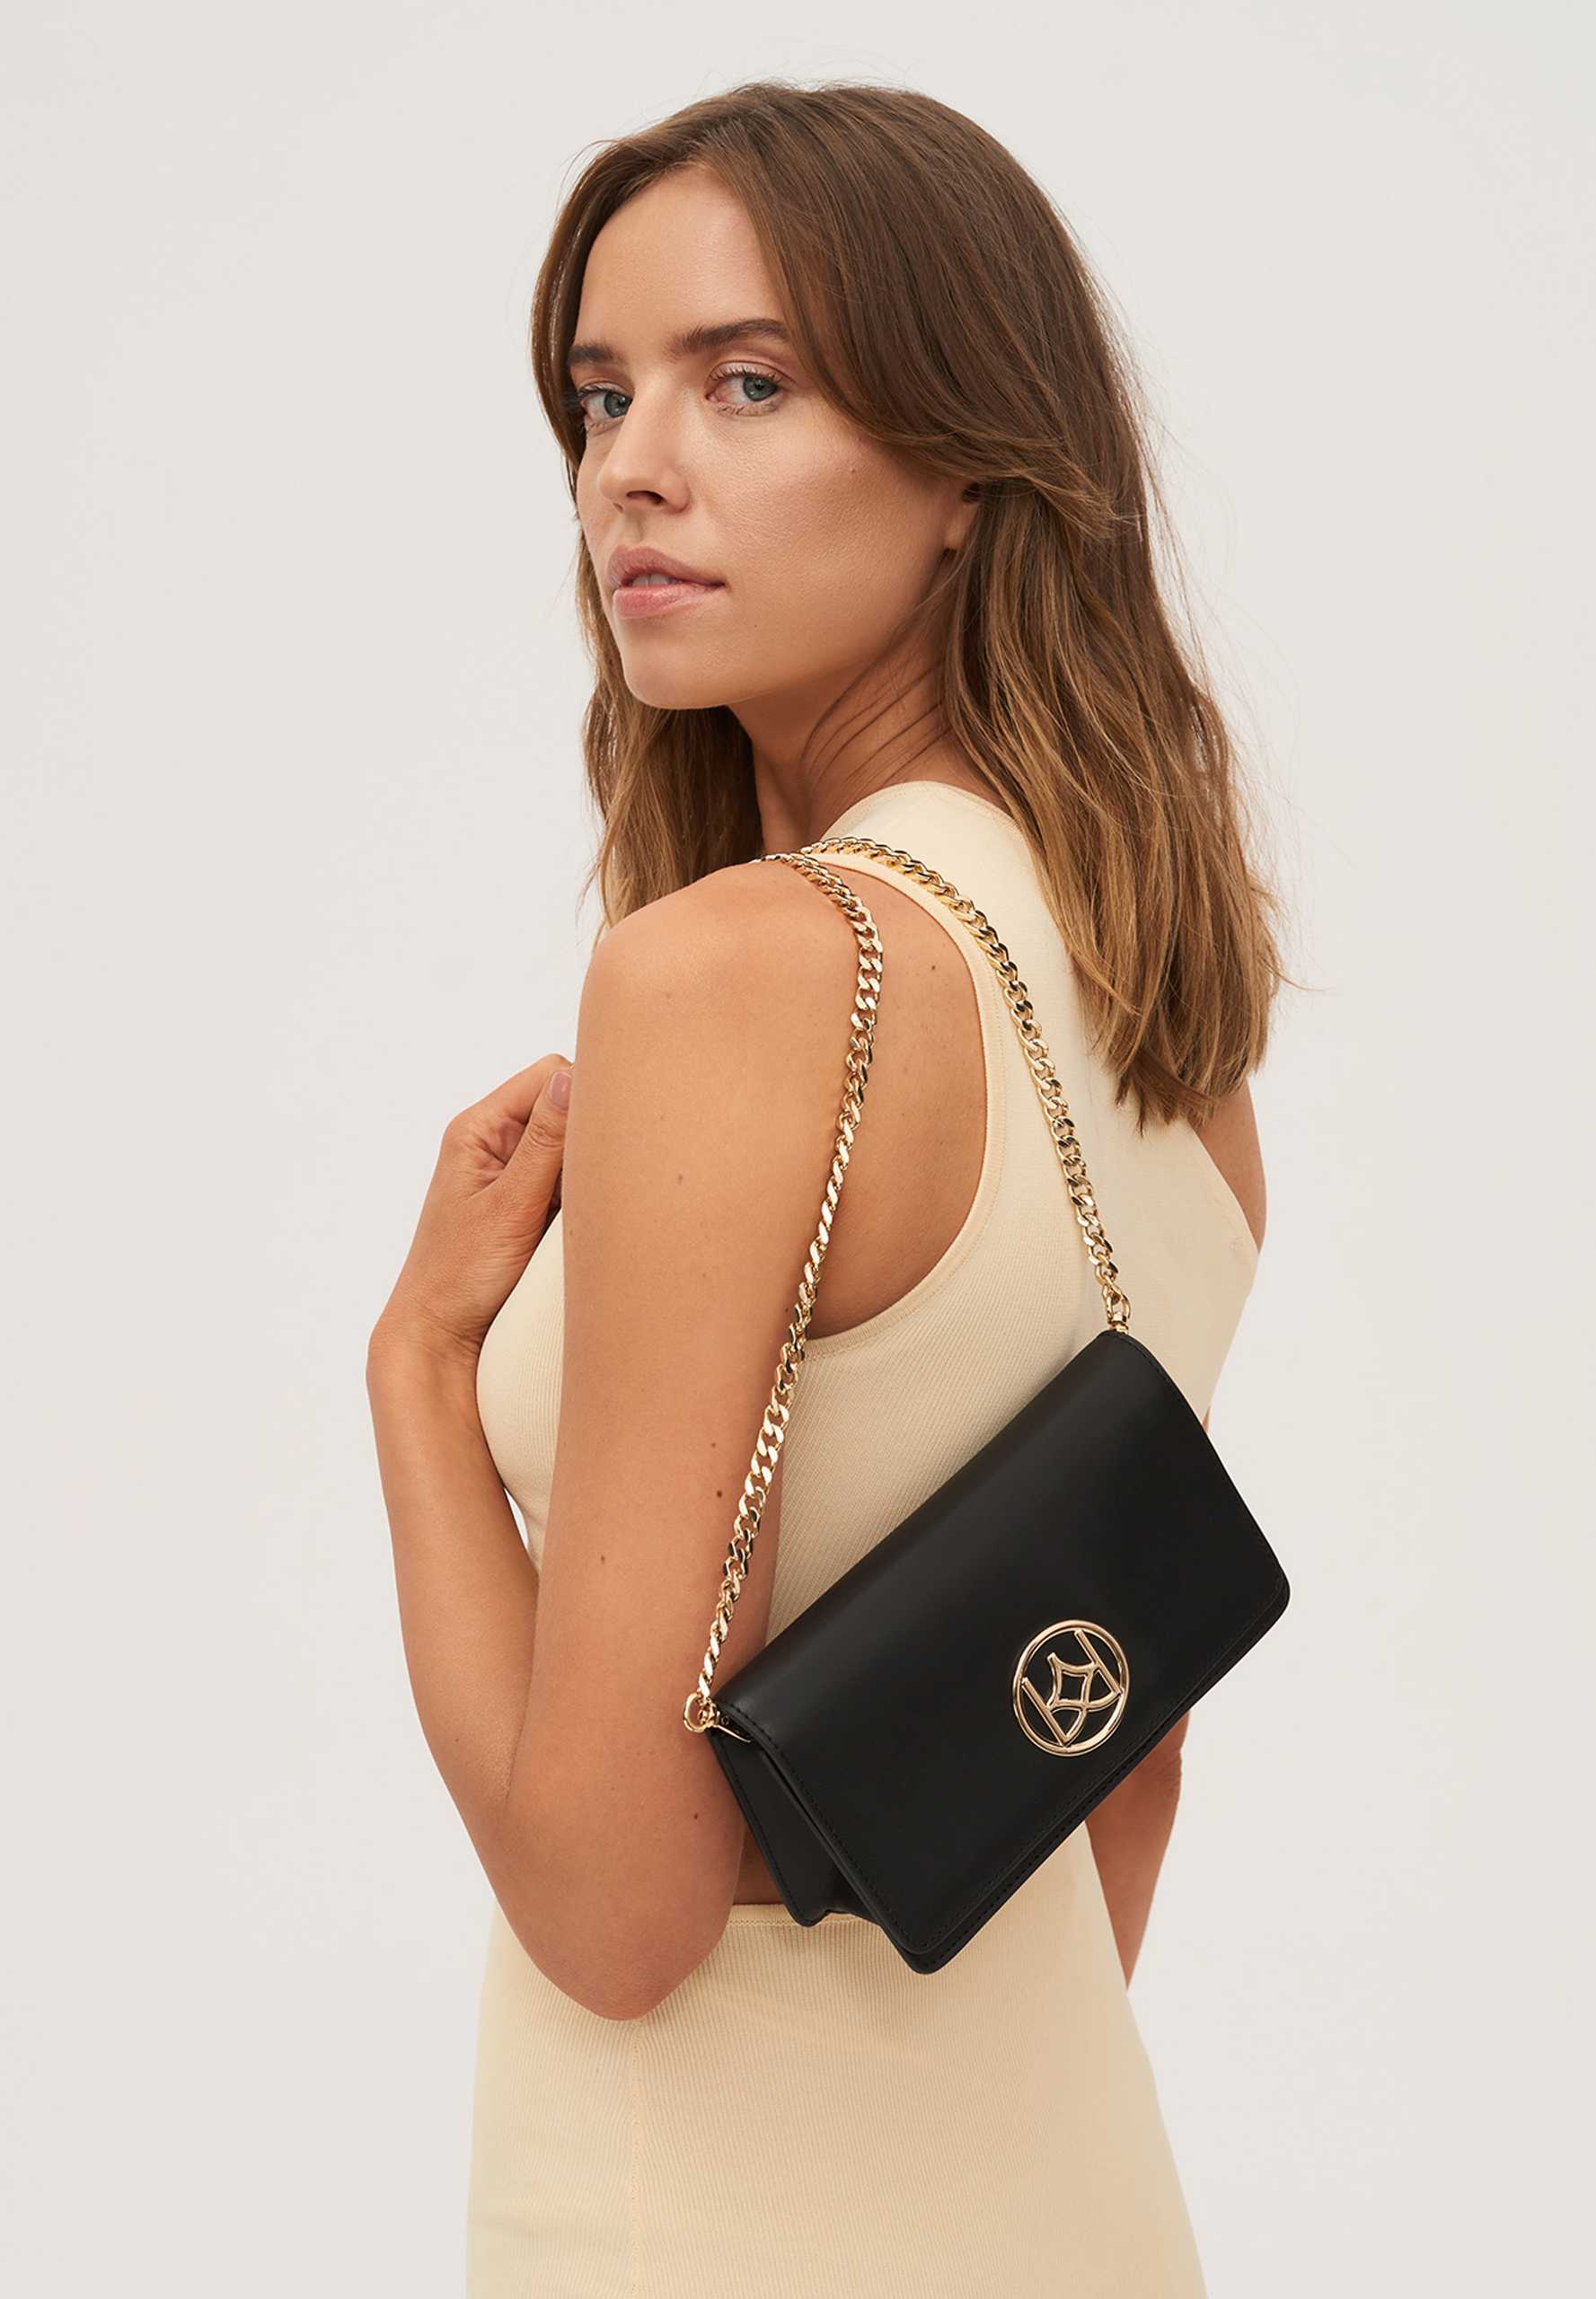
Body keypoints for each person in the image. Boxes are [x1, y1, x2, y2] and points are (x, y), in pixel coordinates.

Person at [366, 77, 1285, 2298]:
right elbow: (1124, 1754)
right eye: (602, 394)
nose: (630, 467)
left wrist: (414, 1372)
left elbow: (614, 1909)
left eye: (748, 381)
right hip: (1070, 2187)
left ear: (970, 466)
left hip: (705, 2218)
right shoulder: (1172, 1031)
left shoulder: (735, 979)